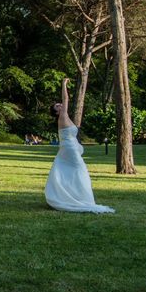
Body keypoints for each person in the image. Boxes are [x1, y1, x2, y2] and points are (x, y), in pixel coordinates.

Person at [45, 78, 115, 213]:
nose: (60, 105)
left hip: (69, 147)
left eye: (59, 105)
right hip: (69, 149)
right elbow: (66, 99)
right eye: (57, 107)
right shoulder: (62, 116)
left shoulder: (66, 117)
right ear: (57, 112)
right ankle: (80, 199)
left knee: (76, 171)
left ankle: (76, 196)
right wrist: (64, 84)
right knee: (79, 171)